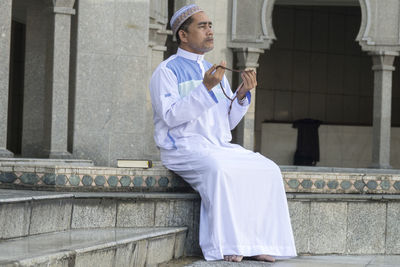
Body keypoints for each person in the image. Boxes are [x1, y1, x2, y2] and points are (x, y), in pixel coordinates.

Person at [150, 4, 297, 262]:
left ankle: (258, 243)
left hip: (217, 146)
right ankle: (228, 246)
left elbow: (225, 123)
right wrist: (205, 88)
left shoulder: (214, 71)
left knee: (268, 169)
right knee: (220, 169)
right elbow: (171, 116)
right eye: (202, 26)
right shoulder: (167, 71)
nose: (209, 31)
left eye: (210, 26)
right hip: (183, 148)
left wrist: (241, 95)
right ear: (183, 35)